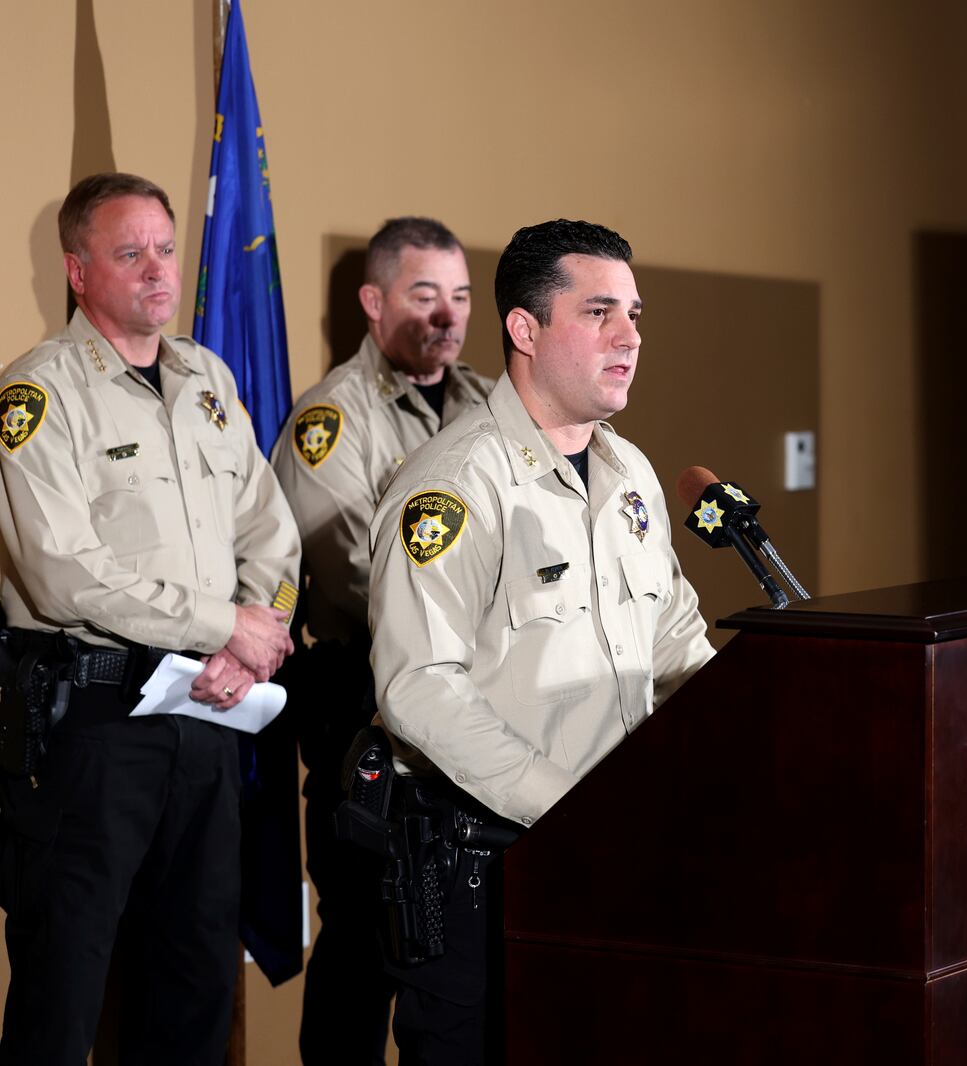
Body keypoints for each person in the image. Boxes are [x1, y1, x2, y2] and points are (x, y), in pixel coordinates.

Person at [366, 219, 714, 1064]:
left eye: (634, 314)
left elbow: (673, 639)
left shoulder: (629, 474)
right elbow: (418, 687)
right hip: (488, 868)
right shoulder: (452, 486)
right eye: (600, 313)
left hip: (612, 860)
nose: (629, 337)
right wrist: (569, 809)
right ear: (525, 329)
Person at [0, 172, 301, 1065]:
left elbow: (270, 528)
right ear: (79, 271)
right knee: (64, 994)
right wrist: (220, 624)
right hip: (92, 732)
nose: (158, 270)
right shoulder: (38, 394)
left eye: (165, 249)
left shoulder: (206, 378)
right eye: (129, 253)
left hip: (208, 716)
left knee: (198, 985)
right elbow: (61, 576)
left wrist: (254, 645)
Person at [269, 217, 491, 1066]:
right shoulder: (334, 421)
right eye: (425, 293)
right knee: (364, 944)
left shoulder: (486, 404)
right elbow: (358, 578)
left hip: (470, 714)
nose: (447, 315)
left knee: (454, 945)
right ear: (373, 301)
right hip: (366, 709)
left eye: (461, 296)